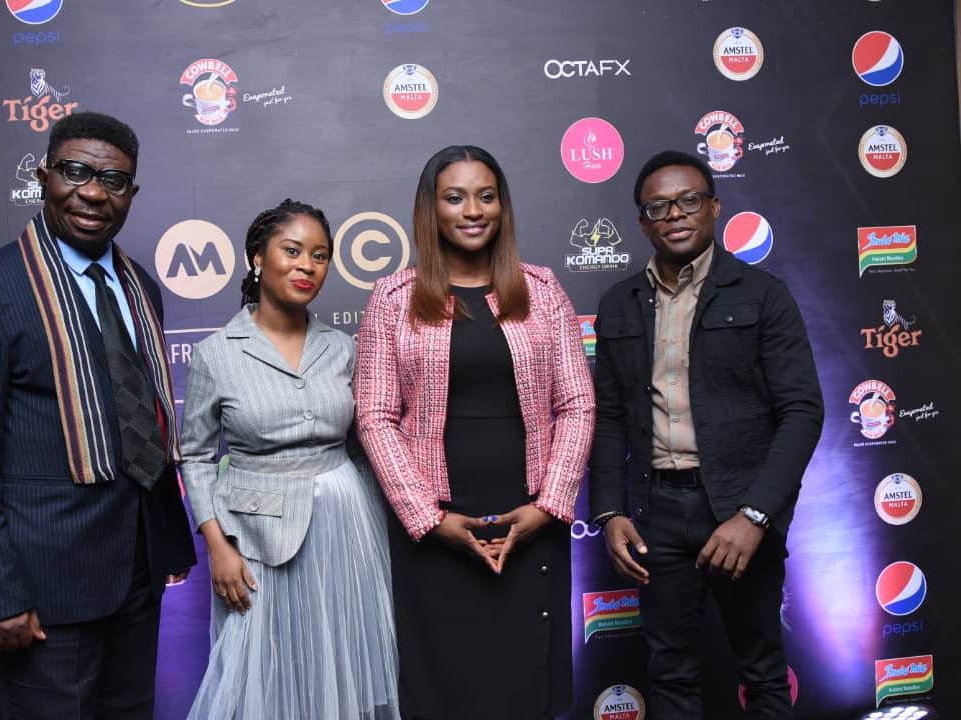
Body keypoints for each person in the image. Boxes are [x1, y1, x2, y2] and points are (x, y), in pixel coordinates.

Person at [0, 111, 197, 719]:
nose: (94, 193)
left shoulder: (140, 286)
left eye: (115, 180)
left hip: (136, 570)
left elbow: (143, 417)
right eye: (75, 172)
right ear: (44, 175)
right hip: (44, 585)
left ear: (132, 193)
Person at [354, 146, 595, 720]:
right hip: (437, 529)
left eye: (486, 196)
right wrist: (428, 520)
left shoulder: (542, 291)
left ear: (502, 207)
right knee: (442, 688)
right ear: (431, 209)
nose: (473, 210)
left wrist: (549, 507)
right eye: (455, 196)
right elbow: (375, 416)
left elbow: (578, 403)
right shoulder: (392, 300)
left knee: (524, 686)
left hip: (529, 520)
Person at [589, 150, 824, 720]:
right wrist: (609, 511)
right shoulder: (619, 303)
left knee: (764, 672)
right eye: (658, 206)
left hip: (740, 512)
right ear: (643, 222)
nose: (675, 214)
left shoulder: (763, 294)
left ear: (714, 208)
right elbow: (610, 414)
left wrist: (756, 516)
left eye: (689, 200)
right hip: (658, 514)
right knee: (669, 674)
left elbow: (802, 411)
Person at [180, 199, 400, 720]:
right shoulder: (218, 352)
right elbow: (194, 455)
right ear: (258, 258)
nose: (308, 265)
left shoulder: (342, 347)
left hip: (348, 525)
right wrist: (218, 545)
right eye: (293, 251)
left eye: (320, 256)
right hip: (256, 534)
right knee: (264, 670)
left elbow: (361, 444)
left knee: (344, 660)